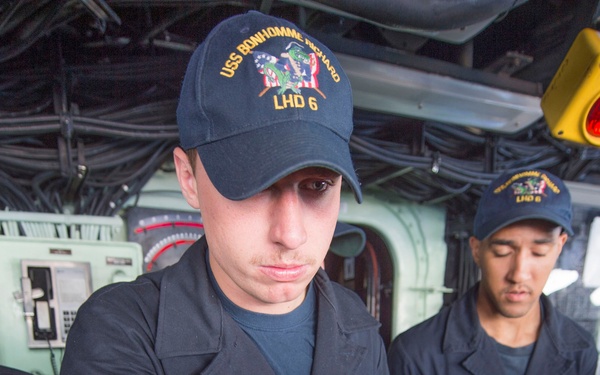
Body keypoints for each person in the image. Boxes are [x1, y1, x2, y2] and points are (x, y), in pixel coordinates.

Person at [61, 10, 389, 374]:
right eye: (256, 186)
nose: (291, 235)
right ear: (189, 179)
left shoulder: (358, 326)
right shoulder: (122, 333)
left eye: (317, 186)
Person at [388, 169, 598, 374]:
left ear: (559, 246)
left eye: (538, 252)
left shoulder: (581, 350)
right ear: (477, 250)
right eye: (502, 252)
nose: (518, 274)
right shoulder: (417, 354)